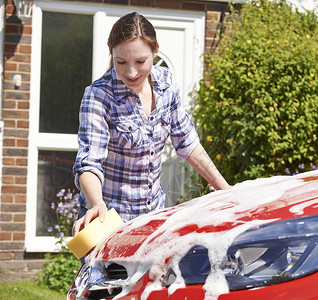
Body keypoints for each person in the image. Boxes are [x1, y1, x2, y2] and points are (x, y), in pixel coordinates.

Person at [72, 12, 230, 236]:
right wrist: (97, 204)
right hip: (108, 222)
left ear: (155, 50)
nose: (131, 72)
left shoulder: (165, 84)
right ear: (111, 51)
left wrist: (225, 190)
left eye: (140, 61)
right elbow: (89, 164)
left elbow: (187, 142)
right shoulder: (98, 97)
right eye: (121, 62)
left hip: (152, 220)